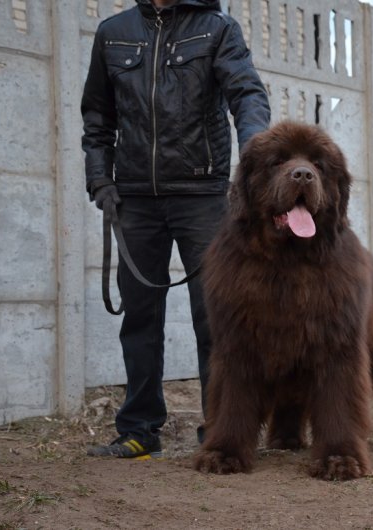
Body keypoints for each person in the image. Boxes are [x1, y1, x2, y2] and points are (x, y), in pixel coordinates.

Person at [81, 0, 270, 459]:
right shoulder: (113, 32)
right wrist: (100, 179)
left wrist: (256, 150)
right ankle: (139, 430)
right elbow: (98, 118)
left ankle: (223, 429)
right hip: (134, 198)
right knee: (140, 318)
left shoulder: (217, 29)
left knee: (216, 316)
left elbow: (246, 93)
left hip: (202, 193)